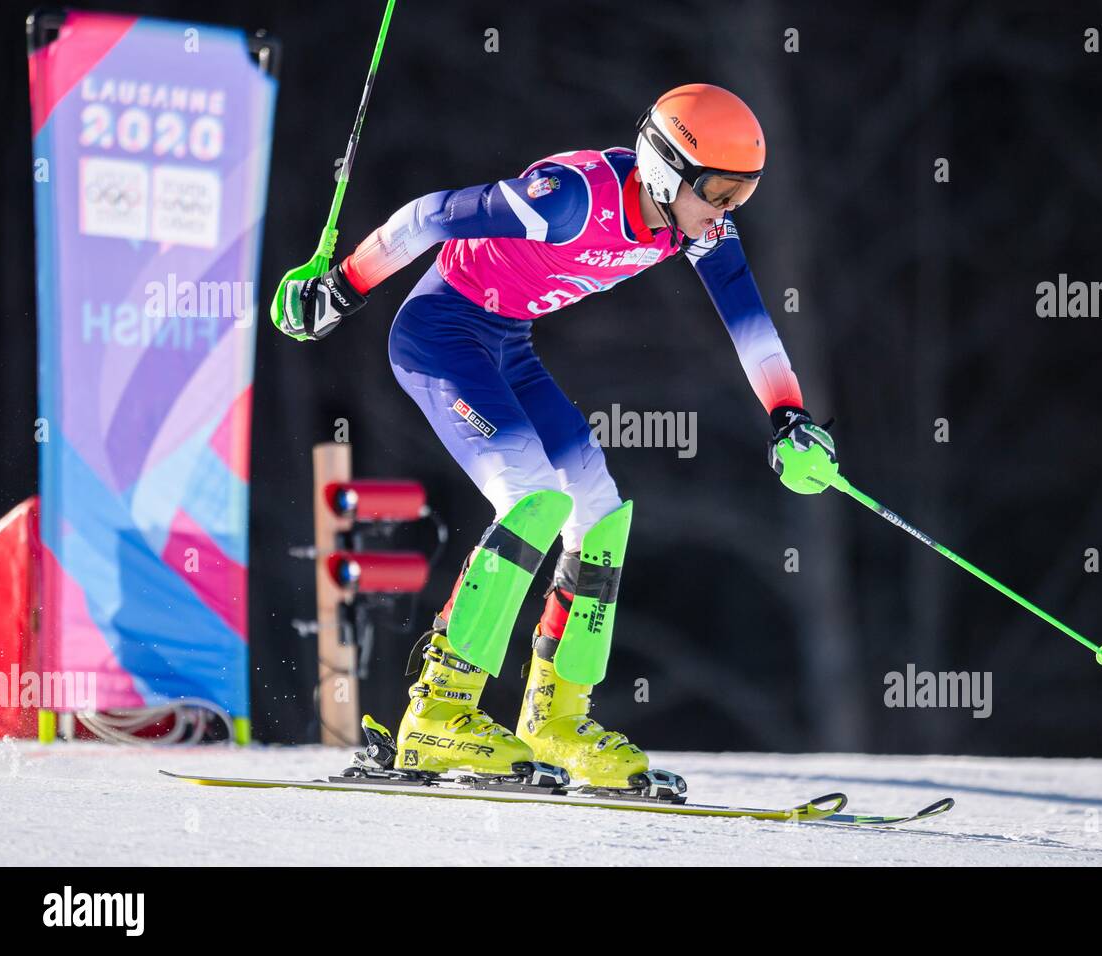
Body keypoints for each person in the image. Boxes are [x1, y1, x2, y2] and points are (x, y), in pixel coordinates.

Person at [278, 83, 838, 795]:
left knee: (600, 512)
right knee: (532, 496)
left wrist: (788, 416)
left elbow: (750, 323)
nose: (727, 211)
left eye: (743, 194)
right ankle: (438, 711)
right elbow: (428, 216)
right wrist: (342, 286)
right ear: (666, 168)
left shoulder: (695, 227)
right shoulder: (567, 200)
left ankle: (555, 718)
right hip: (442, 338)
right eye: (720, 190)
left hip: (507, 345)